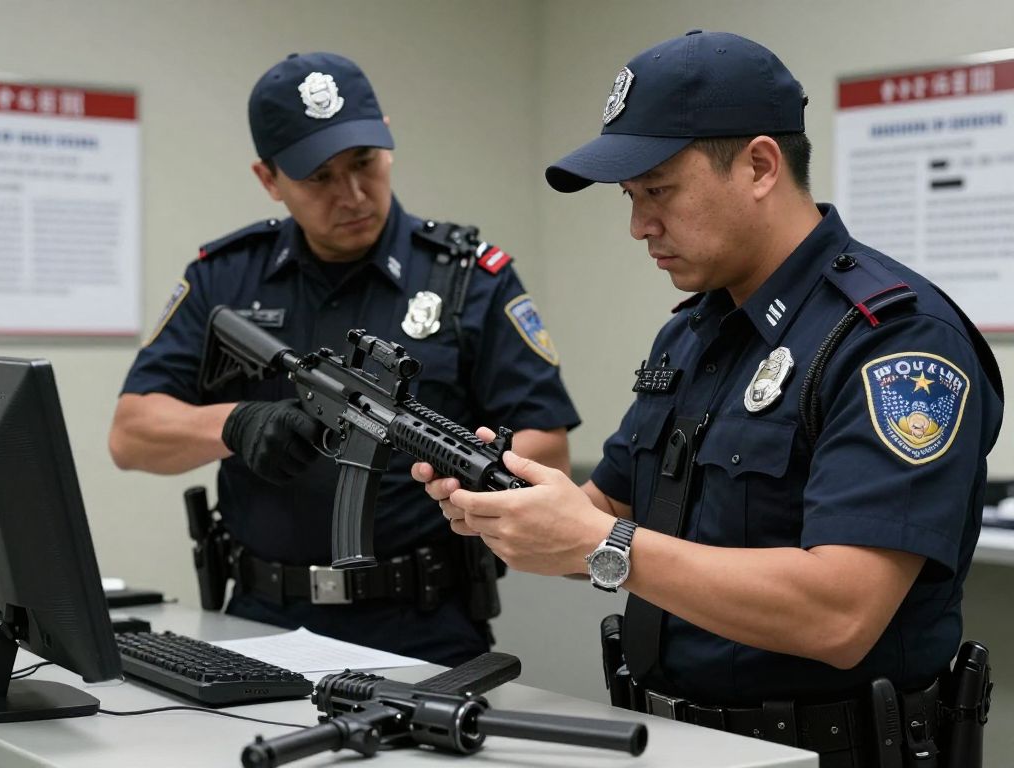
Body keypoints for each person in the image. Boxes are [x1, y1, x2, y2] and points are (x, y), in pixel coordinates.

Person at [417, 30, 1004, 764]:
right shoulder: (695, 334)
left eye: (658, 190)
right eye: (630, 198)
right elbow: (610, 516)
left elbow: (841, 611)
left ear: (759, 165)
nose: (639, 226)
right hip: (668, 739)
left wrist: (601, 544)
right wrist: (510, 507)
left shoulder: (895, 344)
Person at [109, 51, 579, 666]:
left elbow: (548, 449)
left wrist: (435, 464)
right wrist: (236, 423)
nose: (353, 194)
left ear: (387, 140)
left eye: (365, 163)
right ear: (269, 179)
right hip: (257, 617)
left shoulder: (469, 278)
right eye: (319, 177)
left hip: (423, 621)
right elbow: (131, 433)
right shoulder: (225, 276)